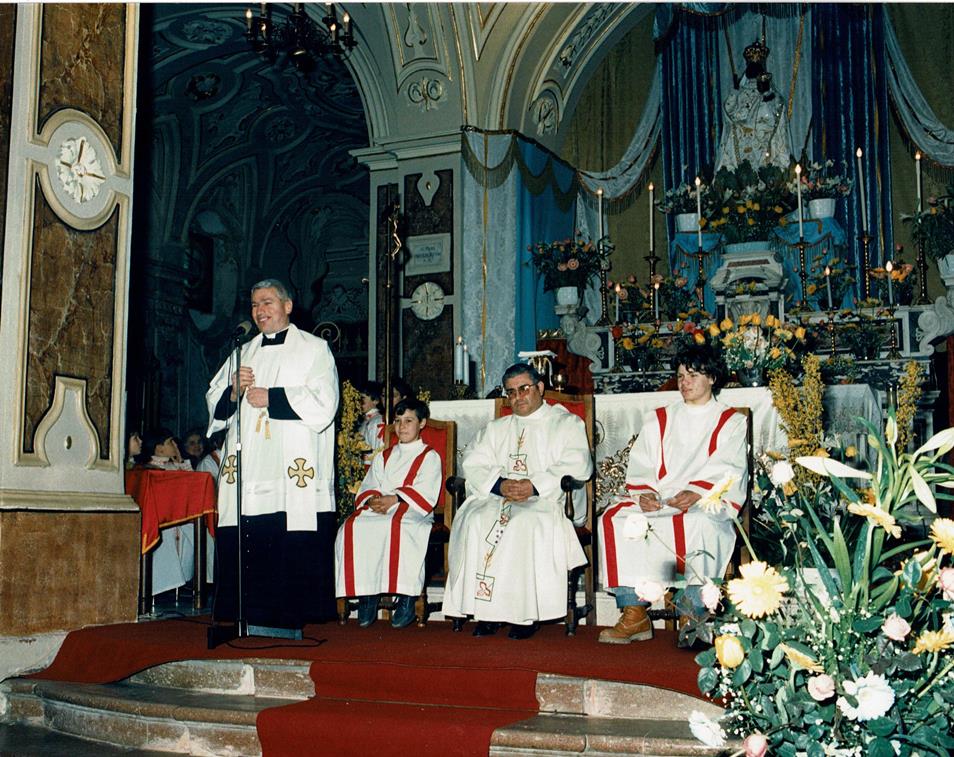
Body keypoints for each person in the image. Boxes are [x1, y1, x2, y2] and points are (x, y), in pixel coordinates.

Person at [205, 278, 339, 633]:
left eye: (267, 302)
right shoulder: (243, 352)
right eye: (254, 305)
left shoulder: (314, 349)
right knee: (249, 532)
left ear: (288, 305)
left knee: (287, 535)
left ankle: (290, 619)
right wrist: (233, 392)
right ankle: (248, 615)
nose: (259, 310)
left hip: (291, 467)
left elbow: (325, 403)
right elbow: (215, 405)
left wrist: (273, 398)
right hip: (251, 467)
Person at [597, 343, 748, 644]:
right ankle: (634, 613)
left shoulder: (730, 421)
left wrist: (697, 492)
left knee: (700, 524)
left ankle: (693, 614)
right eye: (680, 376)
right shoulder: (659, 419)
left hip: (706, 500)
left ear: (712, 378)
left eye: (692, 375)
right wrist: (646, 494)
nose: (684, 382)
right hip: (662, 498)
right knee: (614, 519)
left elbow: (730, 468)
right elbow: (641, 463)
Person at [443, 363, 592, 639]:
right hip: (500, 497)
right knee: (475, 520)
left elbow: (578, 463)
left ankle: (524, 615)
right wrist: (499, 485)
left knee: (522, 523)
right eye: (511, 392)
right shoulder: (496, 428)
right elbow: (473, 462)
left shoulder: (566, 423)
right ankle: (487, 612)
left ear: (540, 388)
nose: (517, 397)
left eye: (524, 389)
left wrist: (534, 486)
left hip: (547, 499)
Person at [334, 398, 442, 629]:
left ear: (422, 423)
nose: (402, 426)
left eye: (409, 421)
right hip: (381, 506)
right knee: (353, 527)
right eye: (398, 421)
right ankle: (367, 593)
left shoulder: (429, 456)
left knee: (401, 528)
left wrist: (394, 498)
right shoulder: (384, 456)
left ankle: (407, 597)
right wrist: (372, 499)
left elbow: (427, 491)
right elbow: (370, 483)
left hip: (412, 509)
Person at [715, 38, 792, 172]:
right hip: (741, 149)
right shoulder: (739, 94)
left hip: (765, 150)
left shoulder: (772, 95)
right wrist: (735, 92)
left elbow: (777, 115)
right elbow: (729, 113)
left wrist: (767, 96)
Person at [136, 427, 196, 597]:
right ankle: (162, 587)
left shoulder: (174, 466)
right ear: (159, 448)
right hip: (160, 522)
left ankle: (183, 583)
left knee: (192, 532)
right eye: (170, 442)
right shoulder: (149, 469)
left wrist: (180, 461)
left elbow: (193, 487)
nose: (175, 445)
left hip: (180, 521)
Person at [357, 380, 386, 464]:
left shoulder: (377, 422)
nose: (358, 402)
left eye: (362, 398)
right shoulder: (366, 420)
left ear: (376, 400)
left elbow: (377, 451)